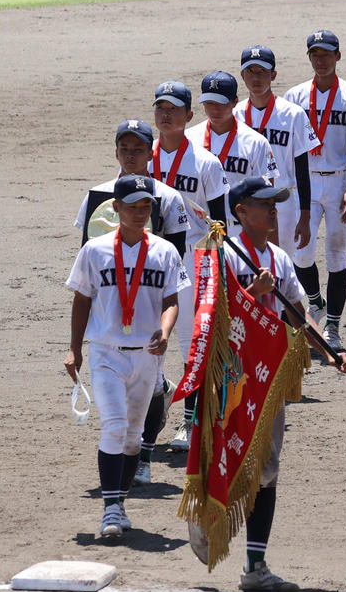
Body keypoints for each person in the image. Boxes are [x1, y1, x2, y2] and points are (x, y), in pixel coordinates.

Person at [223, 176, 346, 591]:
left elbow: (298, 314)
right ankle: (208, 515)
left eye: (275, 202)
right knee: (230, 458)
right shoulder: (223, 255)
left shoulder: (279, 258)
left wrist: (330, 352)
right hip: (231, 377)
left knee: (267, 470)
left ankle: (255, 567)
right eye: (265, 203)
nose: (274, 209)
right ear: (242, 211)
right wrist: (250, 290)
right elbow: (215, 318)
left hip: (269, 377)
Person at [65, 174, 189, 538]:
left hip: (147, 356)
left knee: (134, 437)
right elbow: (82, 298)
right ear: (115, 208)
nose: (140, 213)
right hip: (106, 353)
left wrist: (165, 332)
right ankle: (111, 508)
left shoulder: (164, 251)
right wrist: (74, 348)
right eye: (133, 207)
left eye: (146, 206)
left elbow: (170, 300)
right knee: (115, 425)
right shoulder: (95, 250)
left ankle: (119, 500)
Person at [76, 120, 189, 486]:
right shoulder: (97, 194)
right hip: (111, 301)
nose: (131, 155)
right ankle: (123, 474)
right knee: (122, 407)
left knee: (152, 385)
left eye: (138, 149)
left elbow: (177, 254)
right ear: (116, 153)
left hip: (149, 298)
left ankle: (144, 454)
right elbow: (87, 250)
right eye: (124, 149)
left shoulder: (168, 197)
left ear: (149, 152)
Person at [149, 81, 228, 452]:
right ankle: (160, 392)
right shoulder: (141, 160)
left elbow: (221, 222)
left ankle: (190, 420)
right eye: (160, 108)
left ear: (188, 116)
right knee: (148, 338)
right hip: (147, 259)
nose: (165, 115)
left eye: (173, 109)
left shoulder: (206, 163)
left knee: (189, 342)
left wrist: (219, 272)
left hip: (189, 260)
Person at [282, 31, 346, 351]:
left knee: (335, 255)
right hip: (305, 181)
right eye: (315, 55)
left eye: (327, 54)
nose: (321, 60)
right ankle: (315, 301)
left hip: (338, 180)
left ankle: (332, 325)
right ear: (309, 58)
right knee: (300, 253)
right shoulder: (294, 97)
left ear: (338, 56)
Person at [234, 45, 319, 253]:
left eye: (262, 71)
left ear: (273, 75)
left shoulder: (293, 114)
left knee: (282, 264)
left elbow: (302, 168)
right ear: (242, 75)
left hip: (283, 202)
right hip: (245, 203)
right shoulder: (235, 115)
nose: (256, 77)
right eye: (250, 71)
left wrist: (305, 216)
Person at [187, 71, 277, 235]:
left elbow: (266, 196)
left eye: (220, 103)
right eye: (209, 102)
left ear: (235, 101)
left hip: (241, 228)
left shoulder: (255, 142)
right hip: (201, 229)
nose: (214, 109)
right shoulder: (189, 138)